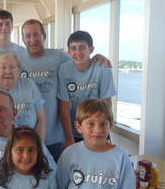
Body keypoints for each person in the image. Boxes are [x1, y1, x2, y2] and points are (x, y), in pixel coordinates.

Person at [20, 19, 111, 162]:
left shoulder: (59, 57)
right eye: (28, 36)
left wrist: (96, 58)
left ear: (44, 36)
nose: (32, 39)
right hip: (25, 135)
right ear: (23, 40)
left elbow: (80, 59)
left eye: (36, 34)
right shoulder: (17, 62)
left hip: (55, 136)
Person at [58, 30, 117, 147]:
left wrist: (103, 131)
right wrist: (69, 138)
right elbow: (64, 106)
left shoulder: (102, 67)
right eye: (73, 48)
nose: (78, 52)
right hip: (75, 130)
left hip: (98, 129)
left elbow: (107, 103)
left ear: (91, 50)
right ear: (69, 51)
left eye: (82, 47)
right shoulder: (64, 69)